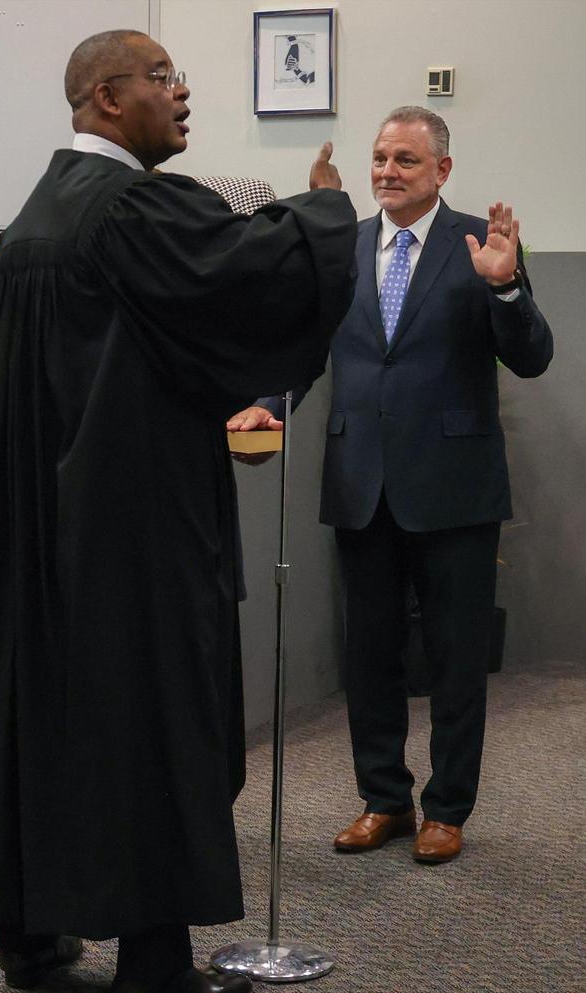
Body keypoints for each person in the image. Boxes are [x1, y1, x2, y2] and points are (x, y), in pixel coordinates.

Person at [0, 29, 357, 993]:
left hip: (41, 539)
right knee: (148, 723)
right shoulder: (134, 206)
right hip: (135, 533)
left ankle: (34, 931)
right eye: (162, 78)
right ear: (100, 96)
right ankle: (153, 965)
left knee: (44, 719)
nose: (183, 92)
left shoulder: (29, 224)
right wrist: (327, 211)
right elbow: (251, 276)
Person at [227, 106, 554, 864]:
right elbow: (310, 349)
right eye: (379, 158)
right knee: (368, 655)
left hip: (454, 485)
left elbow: (532, 357)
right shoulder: (344, 247)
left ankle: (446, 808)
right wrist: (270, 403)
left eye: (405, 160)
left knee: (454, 654)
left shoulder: (481, 241)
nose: (386, 173)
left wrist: (505, 291)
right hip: (361, 480)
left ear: (441, 170)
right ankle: (383, 800)